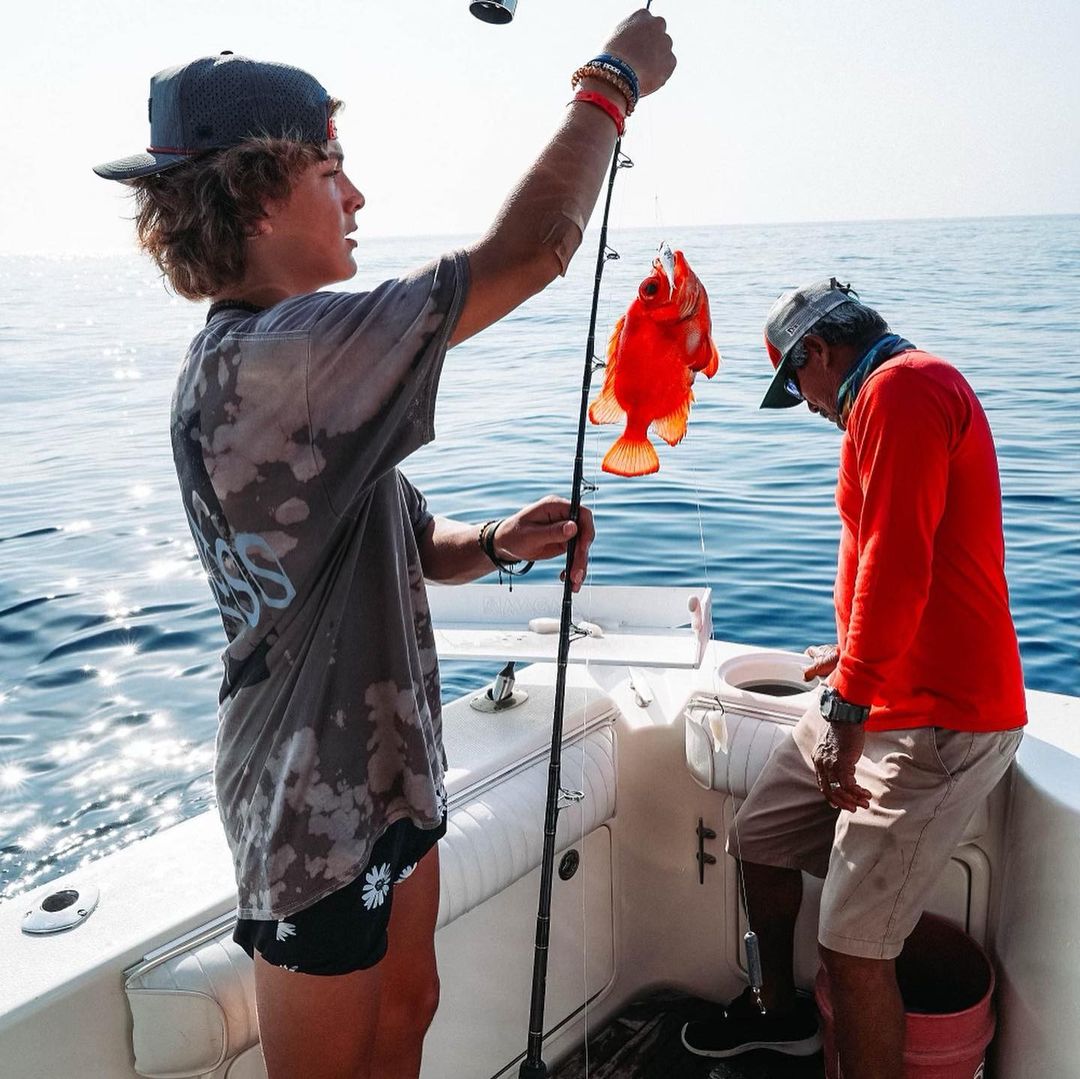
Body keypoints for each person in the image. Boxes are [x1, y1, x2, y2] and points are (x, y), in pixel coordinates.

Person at [93, 12, 675, 1079]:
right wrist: (612, 81)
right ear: (256, 194)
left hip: (391, 774)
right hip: (310, 809)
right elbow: (533, 252)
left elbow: (422, 548)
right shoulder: (274, 363)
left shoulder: (309, 373)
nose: (356, 196)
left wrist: (499, 540)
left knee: (409, 1005)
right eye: (331, 170)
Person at [681, 279, 1027, 1079]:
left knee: (852, 944)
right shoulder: (884, 401)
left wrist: (847, 706)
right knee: (760, 836)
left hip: (942, 720)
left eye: (794, 381)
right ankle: (780, 1013)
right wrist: (854, 659)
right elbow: (911, 562)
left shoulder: (901, 391)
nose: (803, 403)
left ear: (817, 353)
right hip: (885, 689)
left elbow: (896, 562)